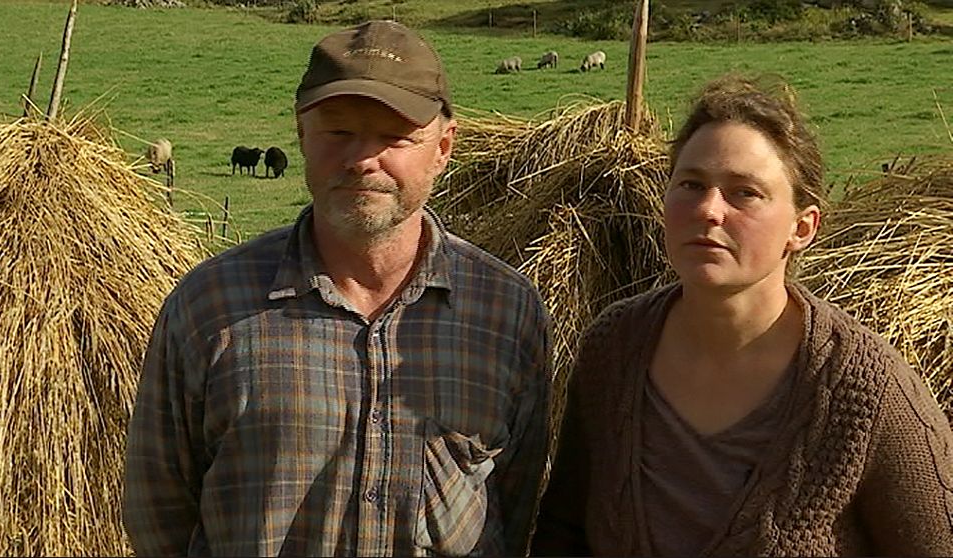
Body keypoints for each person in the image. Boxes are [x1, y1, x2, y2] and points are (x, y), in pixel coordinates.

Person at [123, 20, 551, 557]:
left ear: (443, 147)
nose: (361, 159)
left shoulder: (506, 312)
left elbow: (517, 507)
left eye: (394, 137)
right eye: (338, 132)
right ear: (302, 134)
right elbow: (159, 513)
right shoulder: (209, 306)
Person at [531, 74, 953, 556]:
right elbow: (563, 530)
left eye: (744, 193)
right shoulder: (614, 348)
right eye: (691, 184)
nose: (709, 210)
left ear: (802, 227)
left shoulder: (863, 390)